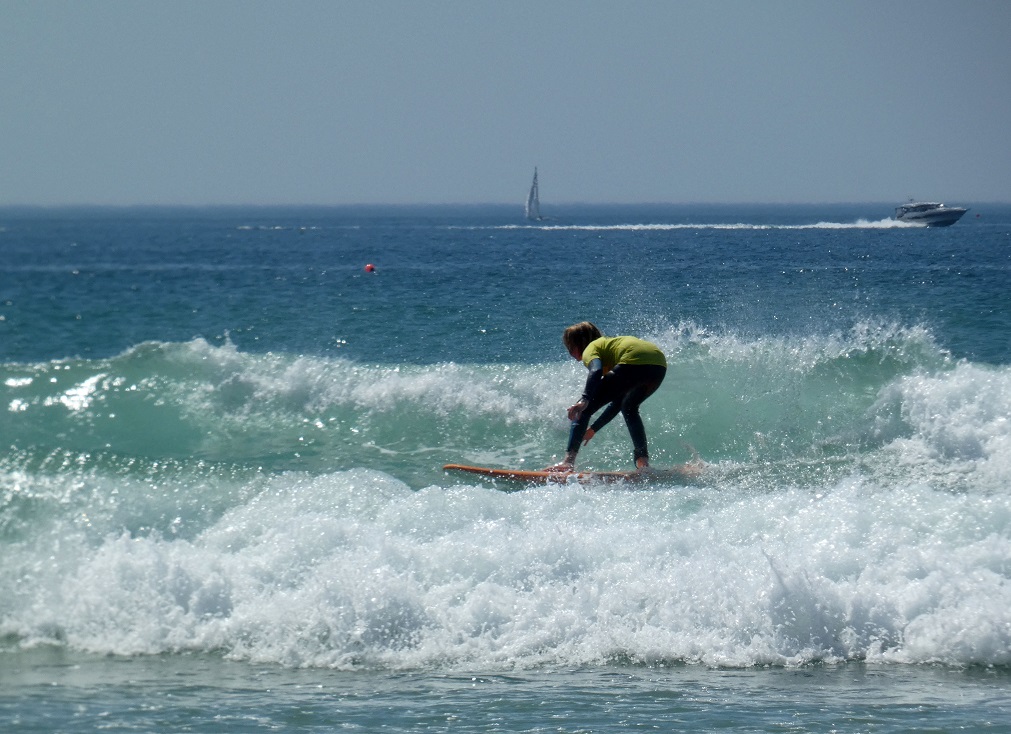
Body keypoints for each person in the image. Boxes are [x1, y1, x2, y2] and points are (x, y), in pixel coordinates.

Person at [546, 321, 667, 472]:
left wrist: (585, 399)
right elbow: (617, 402)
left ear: (578, 344)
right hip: (658, 365)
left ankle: (568, 463)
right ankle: (644, 464)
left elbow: (595, 370)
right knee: (628, 407)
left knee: (582, 409)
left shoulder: (591, 347)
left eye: (570, 348)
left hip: (633, 360)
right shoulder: (609, 347)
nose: (570, 354)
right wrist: (594, 429)